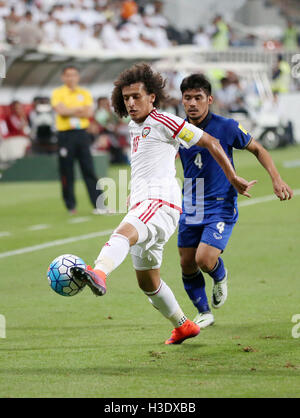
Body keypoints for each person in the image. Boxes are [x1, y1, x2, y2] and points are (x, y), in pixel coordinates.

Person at [70, 63, 256, 345]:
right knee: (147, 280)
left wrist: (232, 176)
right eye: (126, 98)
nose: (131, 103)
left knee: (122, 234)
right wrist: (134, 192)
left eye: (136, 96)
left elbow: (210, 141)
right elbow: (146, 164)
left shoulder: (163, 121)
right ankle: (183, 325)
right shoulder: (135, 126)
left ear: (152, 97)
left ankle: (98, 271)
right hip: (144, 202)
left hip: (161, 201)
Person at [177, 73, 293, 328]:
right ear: (182, 101)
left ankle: (220, 275)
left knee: (204, 260)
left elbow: (259, 149)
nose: (193, 103)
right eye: (188, 98)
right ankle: (204, 312)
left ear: (209, 99)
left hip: (220, 201)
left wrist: (276, 179)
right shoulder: (177, 130)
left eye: (198, 98)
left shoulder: (227, 126)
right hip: (192, 201)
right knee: (186, 263)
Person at [51, 65, 103, 215]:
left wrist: (70, 110)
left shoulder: (84, 93)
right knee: (67, 171)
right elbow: (61, 111)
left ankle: (98, 204)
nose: (71, 78)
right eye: (68, 75)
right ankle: (70, 205)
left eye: (74, 75)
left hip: (82, 134)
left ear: (78, 77)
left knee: (89, 169)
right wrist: (78, 110)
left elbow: (88, 112)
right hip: (65, 135)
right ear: (63, 77)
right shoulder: (58, 93)